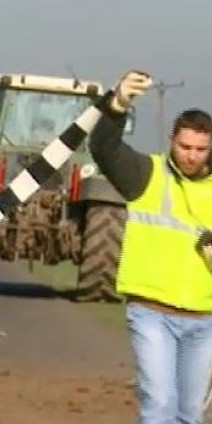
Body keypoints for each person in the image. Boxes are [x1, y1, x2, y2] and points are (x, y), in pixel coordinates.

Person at [89, 70, 212, 424]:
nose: (191, 156)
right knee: (158, 404)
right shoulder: (146, 174)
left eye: (201, 150)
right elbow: (103, 148)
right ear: (172, 140)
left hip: (203, 320)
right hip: (151, 312)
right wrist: (118, 105)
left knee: (189, 415)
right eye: (185, 147)